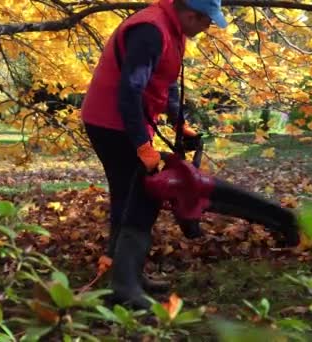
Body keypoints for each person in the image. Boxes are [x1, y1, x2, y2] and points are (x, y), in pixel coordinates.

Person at [79, 0, 227, 309]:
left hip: (130, 121)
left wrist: (178, 121)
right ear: (191, 14)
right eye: (207, 21)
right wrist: (141, 145)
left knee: (138, 195)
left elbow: (166, 80)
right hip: (109, 122)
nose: (208, 27)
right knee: (133, 195)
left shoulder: (173, 32)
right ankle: (125, 288)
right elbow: (129, 92)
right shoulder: (150, 30)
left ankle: (129, 272)